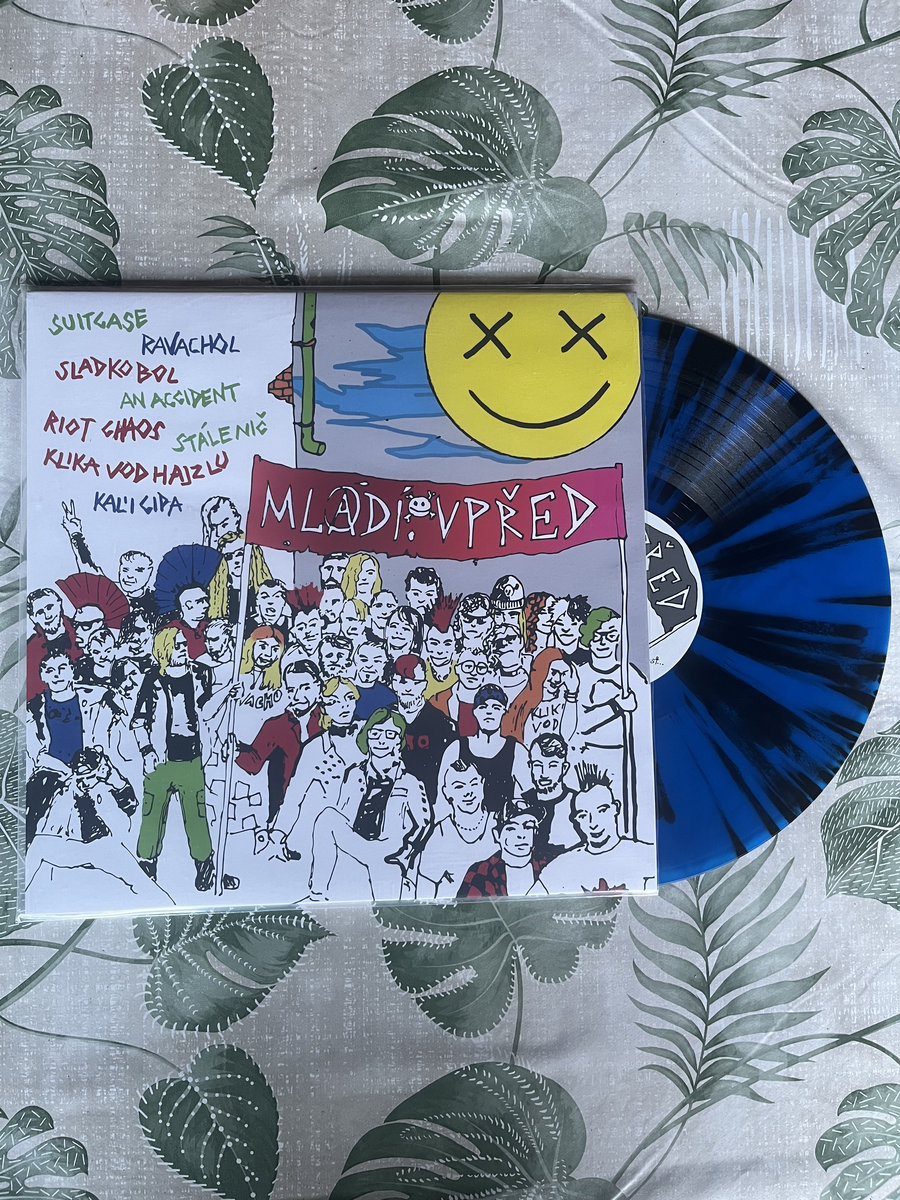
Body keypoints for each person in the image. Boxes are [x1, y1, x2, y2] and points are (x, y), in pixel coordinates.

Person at [130, 627, 225, 891]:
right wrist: (146, 750)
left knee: (196, 814)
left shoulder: (201, 674)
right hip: (160, 760)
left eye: (184, 644)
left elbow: (207, 711)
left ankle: (205, 866)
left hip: (191, 758)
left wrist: (227, 693)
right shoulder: (152, 679)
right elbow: (139, 721)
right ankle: (146, 865)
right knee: (152, 813)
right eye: (177, 645)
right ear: (164, 650)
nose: (184, 648)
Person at [309, 708, 430, 902]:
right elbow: (342, 814)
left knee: (386, 910)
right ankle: (317, 893)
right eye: (376, 733)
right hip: (357, 844)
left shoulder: (410, 782)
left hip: (388, 851)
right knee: (327, 817)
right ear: (367, 736)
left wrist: (405, 854)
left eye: (390, 735)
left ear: (398, 741)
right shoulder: (354, 774)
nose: (381, 740)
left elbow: (424, 825)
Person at [272, 676, 364, 862]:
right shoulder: (314, 748)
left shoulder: (371, 735)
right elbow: (295, 794)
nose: (343, 706)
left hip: (361, 830)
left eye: (349, 698)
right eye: (334, 701)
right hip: (320, 834)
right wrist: (278, 834)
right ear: (324, 707)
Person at [533, 763, 652, 893]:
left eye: (602, 811)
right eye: (583, 816)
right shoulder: (561, 865)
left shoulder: (646, 854)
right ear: (576, 820)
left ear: (616, 808)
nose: (593, 823)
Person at [232, 658, 322, 827]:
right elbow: (253, 762)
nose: (298, 696)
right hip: (281, 812)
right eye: (292, 689)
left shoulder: (328, 721)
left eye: (305, 688)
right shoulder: (275, 725)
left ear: (319, 686)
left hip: (319, 809)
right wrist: (235, 750)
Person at [574, 606, 644, 802]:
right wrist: (615, 706)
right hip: (587, 757)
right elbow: (577, 724)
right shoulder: (579, 676)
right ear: (588, 637)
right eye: (597, 635)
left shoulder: (632, 676)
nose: (603, 641)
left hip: (623, 754)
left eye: (611, 635)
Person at [438, 684, 530, 817]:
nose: (489, 712)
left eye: (496, 707)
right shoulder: (456, 748)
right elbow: (442, 795)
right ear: (475, 711)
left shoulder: (517, 750)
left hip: (502, 824)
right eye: (483, 707)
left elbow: (529, 794)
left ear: (504, 711)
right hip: (462, 823)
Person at [416, 758, 496, 898]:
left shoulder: (498, 824)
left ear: (482, 784)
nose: (468, 793)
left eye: (473, 784)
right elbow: (425, 889)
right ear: (446, 792)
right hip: (452, 909)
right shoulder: (440, 834)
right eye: (459, 787)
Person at [391, 653, 455, 807]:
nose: (408, 688)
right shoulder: (385, 719)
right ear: (393, 683)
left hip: (429, 799)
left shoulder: (441, 723)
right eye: (402, 681)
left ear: (424, 685)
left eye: (415, 682)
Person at [457, 806, 550, 898]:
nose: (521, 835)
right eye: (511, 828)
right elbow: (467, 906)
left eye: (528, 827)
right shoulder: (481, 871)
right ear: (497, 834)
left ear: (536, 833)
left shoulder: (550, 863)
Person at [516, 733, 579, 853]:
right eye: (538, 765)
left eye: (552, 765)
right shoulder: (522, 803)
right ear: (530, 766)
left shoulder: (576, 802)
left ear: (564, 768)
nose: (544, 773)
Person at [503, 648, 578, 746]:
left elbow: (567, 738)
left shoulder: (566, 701)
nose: (557, 679)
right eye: (553, 672)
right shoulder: (523, 703)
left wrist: (572, 693)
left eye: (563, 674)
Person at [26, 587, 81, 700]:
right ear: (33, 618)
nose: (48, 616)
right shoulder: (30, 649)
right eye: (40, 612)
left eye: (49, 607)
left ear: (60, 604)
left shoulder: (81, 632)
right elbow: (31, 691)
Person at [430, 648, 493, 737]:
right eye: (468, 666)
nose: (473, 673)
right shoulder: (438, 701)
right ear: (457, 669)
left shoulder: (495, 703)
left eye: (481, 668)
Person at [352, 636, 397, 721]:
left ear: (385, 664)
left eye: (377, 661)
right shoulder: (344, 689)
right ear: (355, 660)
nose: (369, 665)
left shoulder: (389, 697)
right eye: (364, 660)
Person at [549, 595, 592, 665]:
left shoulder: (590, 658)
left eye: (573, 624)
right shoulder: (546, 656)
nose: (566, 629)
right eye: (560, 624)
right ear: (553, 626)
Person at [423, 618, 457, 700]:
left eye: (447, 644)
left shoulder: (461, 670)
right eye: (434, 643)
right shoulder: (420, 669)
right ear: (426, 644)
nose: (440, 651)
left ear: (455, 645)